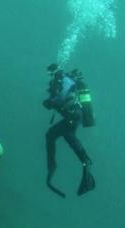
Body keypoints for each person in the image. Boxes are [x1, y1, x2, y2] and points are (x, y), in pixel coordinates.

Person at [42, 63, 95, 197]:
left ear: (53, 72)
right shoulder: (68, 80)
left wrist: (49, 102)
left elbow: (59, 97)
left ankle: (52, 168)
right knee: (68, 136)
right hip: (76, 116)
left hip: (73, 116)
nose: (49, 77)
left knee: (51, 135)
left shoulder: (59, 80)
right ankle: (85, 162)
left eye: (49, 74)